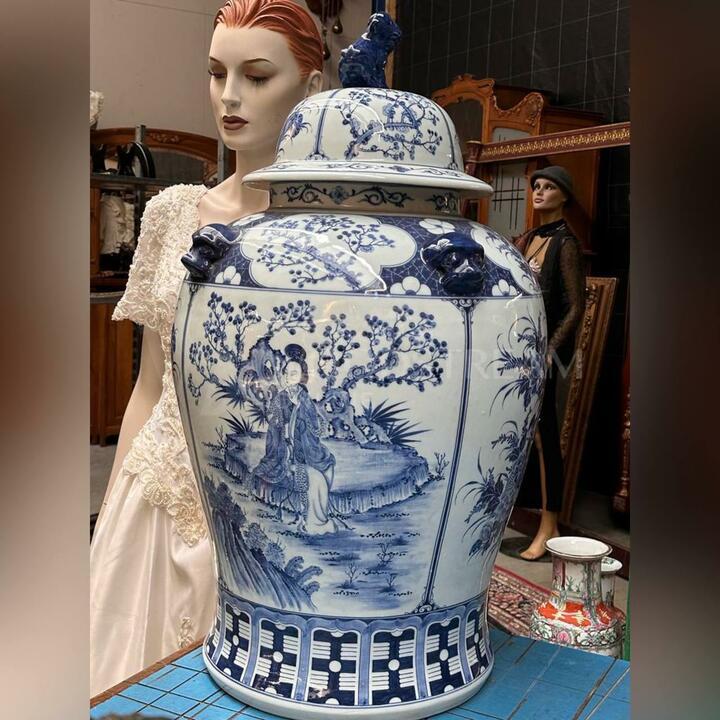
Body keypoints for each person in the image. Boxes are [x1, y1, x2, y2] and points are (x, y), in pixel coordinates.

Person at [89, 0, 323, 695]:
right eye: (217, 73)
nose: (229, 96)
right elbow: (149, 383)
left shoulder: (327, 234)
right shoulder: (171, 214)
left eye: (257, 76)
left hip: (259, 496)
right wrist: (115, 505)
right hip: (159, 490)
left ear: (310, 86)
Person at [511, 166, 585, 561]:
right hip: (516, 350)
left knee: (544, 435)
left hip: (545, 351)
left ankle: (548, 524)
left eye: (549, 187)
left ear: (565, 195)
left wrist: (550, 350)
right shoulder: (528, 239)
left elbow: (575, 307)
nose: (539, 192)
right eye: (536, 186)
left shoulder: (566, 244)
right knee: (521, 430)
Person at [282, 345, 337, 535]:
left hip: (308, 453)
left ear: (302, 377)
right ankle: (314, 522)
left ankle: (317, 523)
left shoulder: (304, 400)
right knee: (313, 480)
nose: (288, 377)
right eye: (286, 373)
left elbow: (312, 430)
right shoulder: (285, 398)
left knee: (317, 480)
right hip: (294, 454)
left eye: (294, 373)